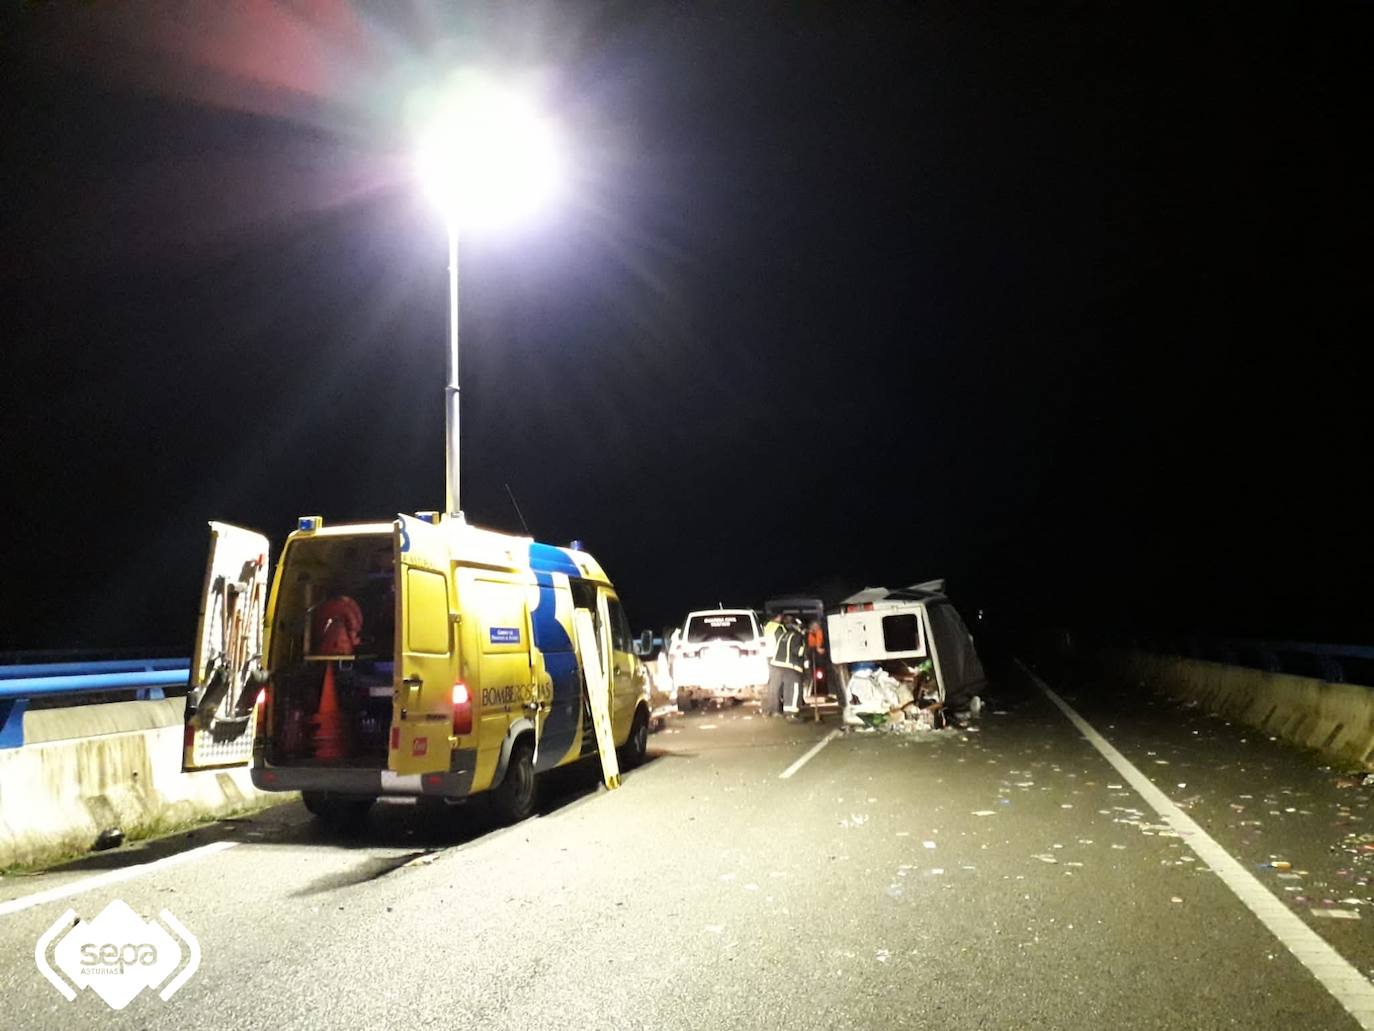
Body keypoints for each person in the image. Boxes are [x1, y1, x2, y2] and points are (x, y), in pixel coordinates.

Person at [775, 615, 807, 716]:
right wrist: (807, 650)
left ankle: (787, 711)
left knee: (787, 689)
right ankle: (792, 713)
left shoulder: (784, 635)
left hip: (780, 665)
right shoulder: (797, 635)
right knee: (794, 688)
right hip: (792, 666)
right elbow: (797, 650)